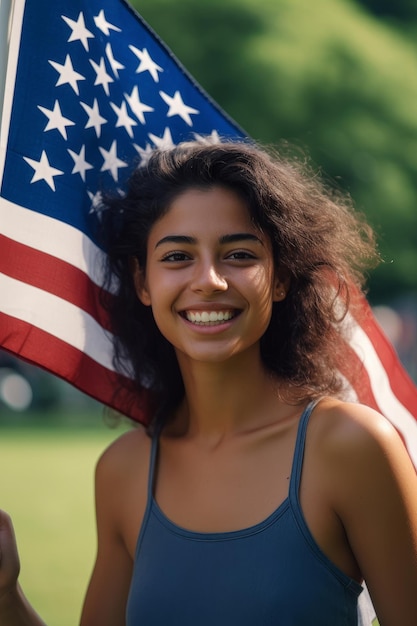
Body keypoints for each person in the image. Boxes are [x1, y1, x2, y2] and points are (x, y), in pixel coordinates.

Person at [1, 139, 417, 625]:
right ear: (142, 282)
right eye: (177, 257)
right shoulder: (124, 471)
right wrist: (6, 597)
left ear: (280, 277)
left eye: (239, 254)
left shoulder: (351, 446)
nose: (210, 281)